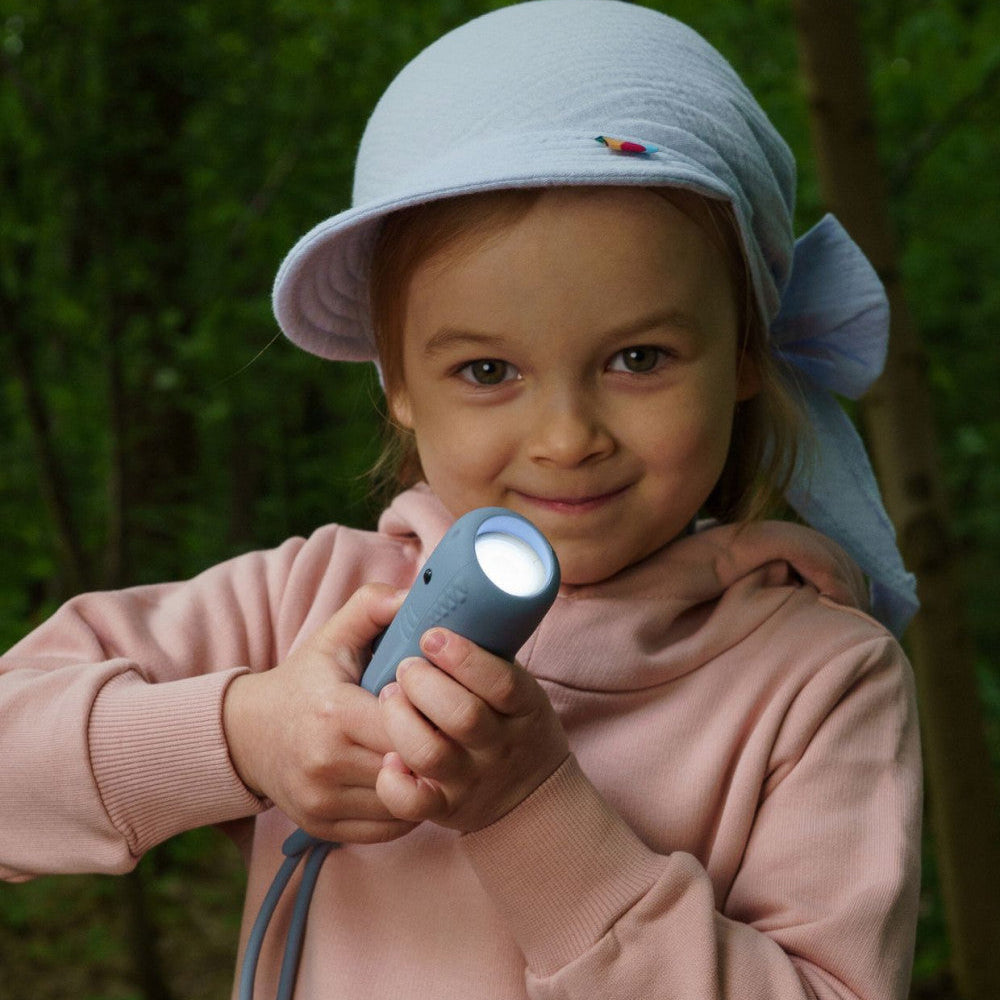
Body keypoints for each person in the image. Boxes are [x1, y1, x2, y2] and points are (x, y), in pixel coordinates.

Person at [1, 2, 922, 998]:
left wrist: (529, 811)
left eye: (638, 357)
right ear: (395, 381)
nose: (567, 437)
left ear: (742, 352)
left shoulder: (816, 679)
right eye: (487, 369)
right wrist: (244, 735)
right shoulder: (309, 607)